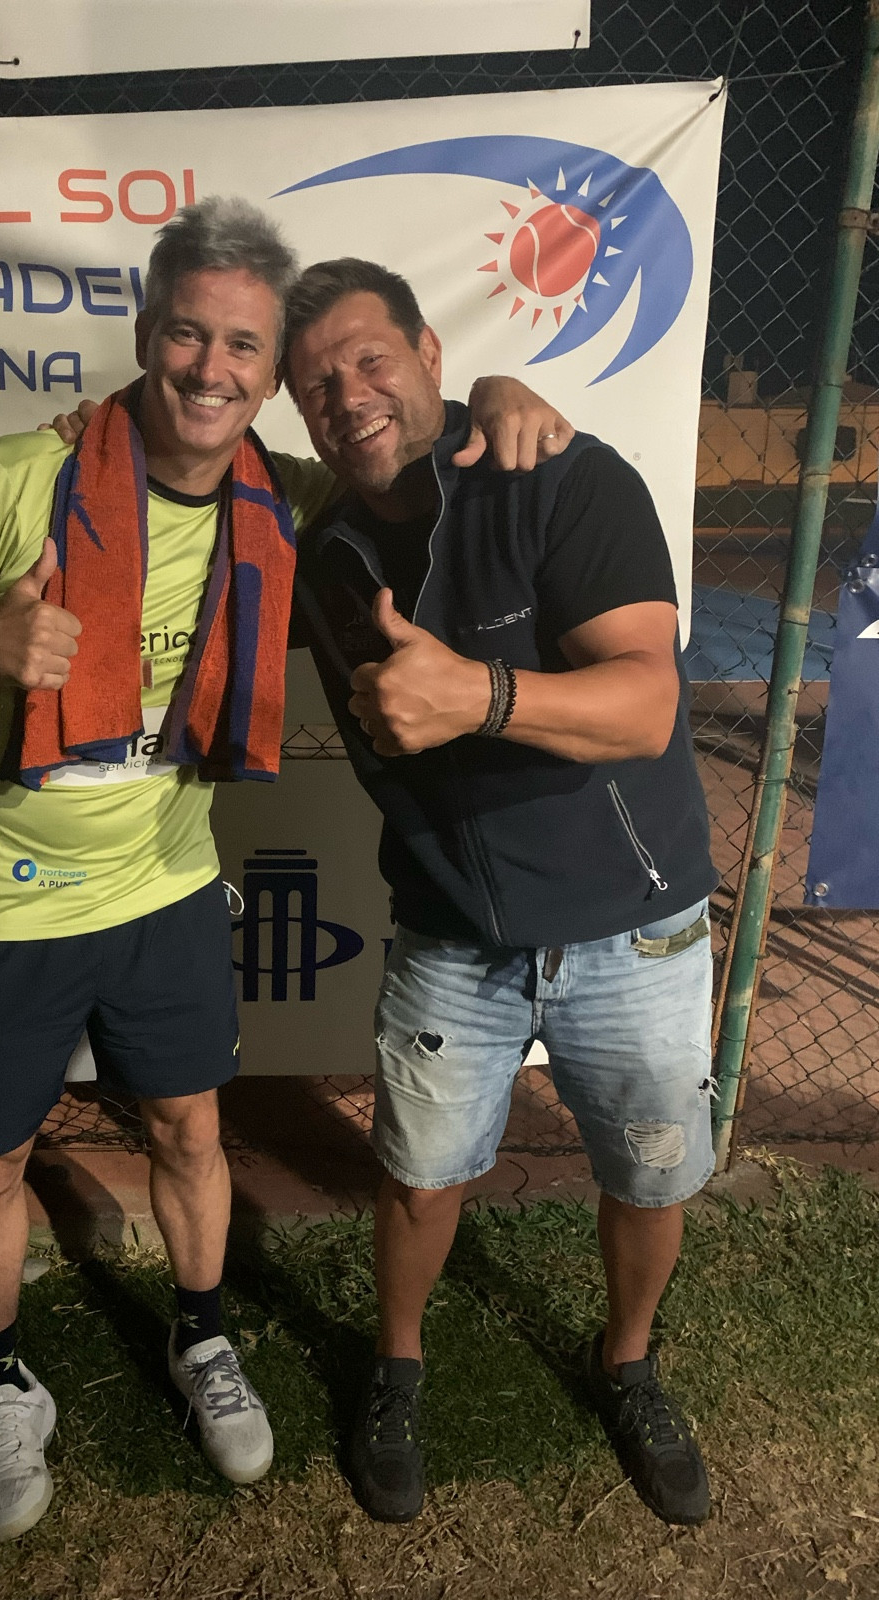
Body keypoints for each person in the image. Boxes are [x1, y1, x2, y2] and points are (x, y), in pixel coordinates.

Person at [0, 198, 569, 1543]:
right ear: (145, 336)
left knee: (191, 1134)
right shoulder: (17, 479)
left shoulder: (286, 492)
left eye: (242, 346)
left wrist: (502, 394)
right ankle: (1, 1381)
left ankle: (201, 1335)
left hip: (166, 893)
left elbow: (410, 445)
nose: (211, 368)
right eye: (186, 334)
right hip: (6, 906)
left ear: (270, 376)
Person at [282, 258, 719, 1529]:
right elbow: (194, 467)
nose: (349, 395)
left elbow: (646, 705)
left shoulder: (565, 478)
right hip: (452, 933)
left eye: (370, 360)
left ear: (431, 353)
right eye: (318, 384)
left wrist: (476, 694)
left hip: (633, 927)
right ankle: (397, 1367)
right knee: (420, 1177)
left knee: (649, 1173)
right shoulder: (321, 539)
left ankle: (628, 1362)